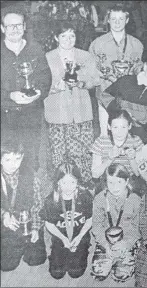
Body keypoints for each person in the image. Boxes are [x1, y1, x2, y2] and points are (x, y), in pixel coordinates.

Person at [44, 21, 101, 183]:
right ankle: (61, 187)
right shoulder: (47, 58)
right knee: (59, 152)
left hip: (81, 112)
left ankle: (84, 185)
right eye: (64, 36)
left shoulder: (85, 56)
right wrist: (56, 87)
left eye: (72, 36)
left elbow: (95, 80)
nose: (68, 40)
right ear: (56, 37)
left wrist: (82, 84)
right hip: (57, 112)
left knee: (82, 152)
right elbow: (41, 85)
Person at [1, 6, 52, 171]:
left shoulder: (35, 49)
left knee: (30, 159)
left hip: (31, 114)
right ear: (2, 28)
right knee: (7, 160)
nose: (15, 29)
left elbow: (45, 77)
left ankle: (29, 194)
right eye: (10, 26)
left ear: (24, 27)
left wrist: (38, 93)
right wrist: (9, 95)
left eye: (18, 25)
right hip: (4, 115)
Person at [89, 2, 144, 136]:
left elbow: (139, 69)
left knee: (127, 133)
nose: (117, 23)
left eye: (121, 19)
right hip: (105, 95)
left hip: (128, 96)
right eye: (113, 19)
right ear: (108, 20)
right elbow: (91, 69)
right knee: (105, 133)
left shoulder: (137, 44)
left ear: (127, 20)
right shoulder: (97, 44)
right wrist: (104, 76)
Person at [39, 162, 93, 279]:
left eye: (72, 182)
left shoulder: (85, 196)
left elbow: (90, 219)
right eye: (64, 182)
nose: (68, 187)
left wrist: (79, 237)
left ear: (78, 182)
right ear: (58, 182)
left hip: (80, 236)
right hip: (60, 237)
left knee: (75, 272)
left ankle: (83, 249)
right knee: (57, 273)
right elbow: (48, 223)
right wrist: (63, 238)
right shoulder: (51, 200)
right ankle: (58, 252)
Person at [1, 136, 46, 272]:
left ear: (22, 157)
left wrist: (36, 228)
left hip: (28, 223)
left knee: (36, 259)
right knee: (6, 265)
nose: (13, 164)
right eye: (7, 159)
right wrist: (3, 215)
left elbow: (38, 205)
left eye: (17, 159)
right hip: (6, 224)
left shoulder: (31, 176)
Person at [91, 163, 142, 282]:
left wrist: (127, 243)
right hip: (105, 239)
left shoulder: (135, 199)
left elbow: (138, 227)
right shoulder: (100, 198)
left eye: (119, 182)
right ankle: (105, 253)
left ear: (126, 181)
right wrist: (105, 245)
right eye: (111, 182)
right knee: (99, 273)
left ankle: (131, 251)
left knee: (120, 275)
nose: (115, 187)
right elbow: (97, 226)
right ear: (105, 182)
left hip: (127, 238)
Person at [91, 109, 143, 181]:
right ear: (109, 127)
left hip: (128, 181)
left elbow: (138, 174)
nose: (119, 132)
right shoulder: (100, 142)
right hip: (107, 181)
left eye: (123, 127)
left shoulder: (136, 141)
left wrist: (132, 159)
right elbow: (95, 174)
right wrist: (110, 159)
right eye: (115, 127)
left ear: (129, 126)